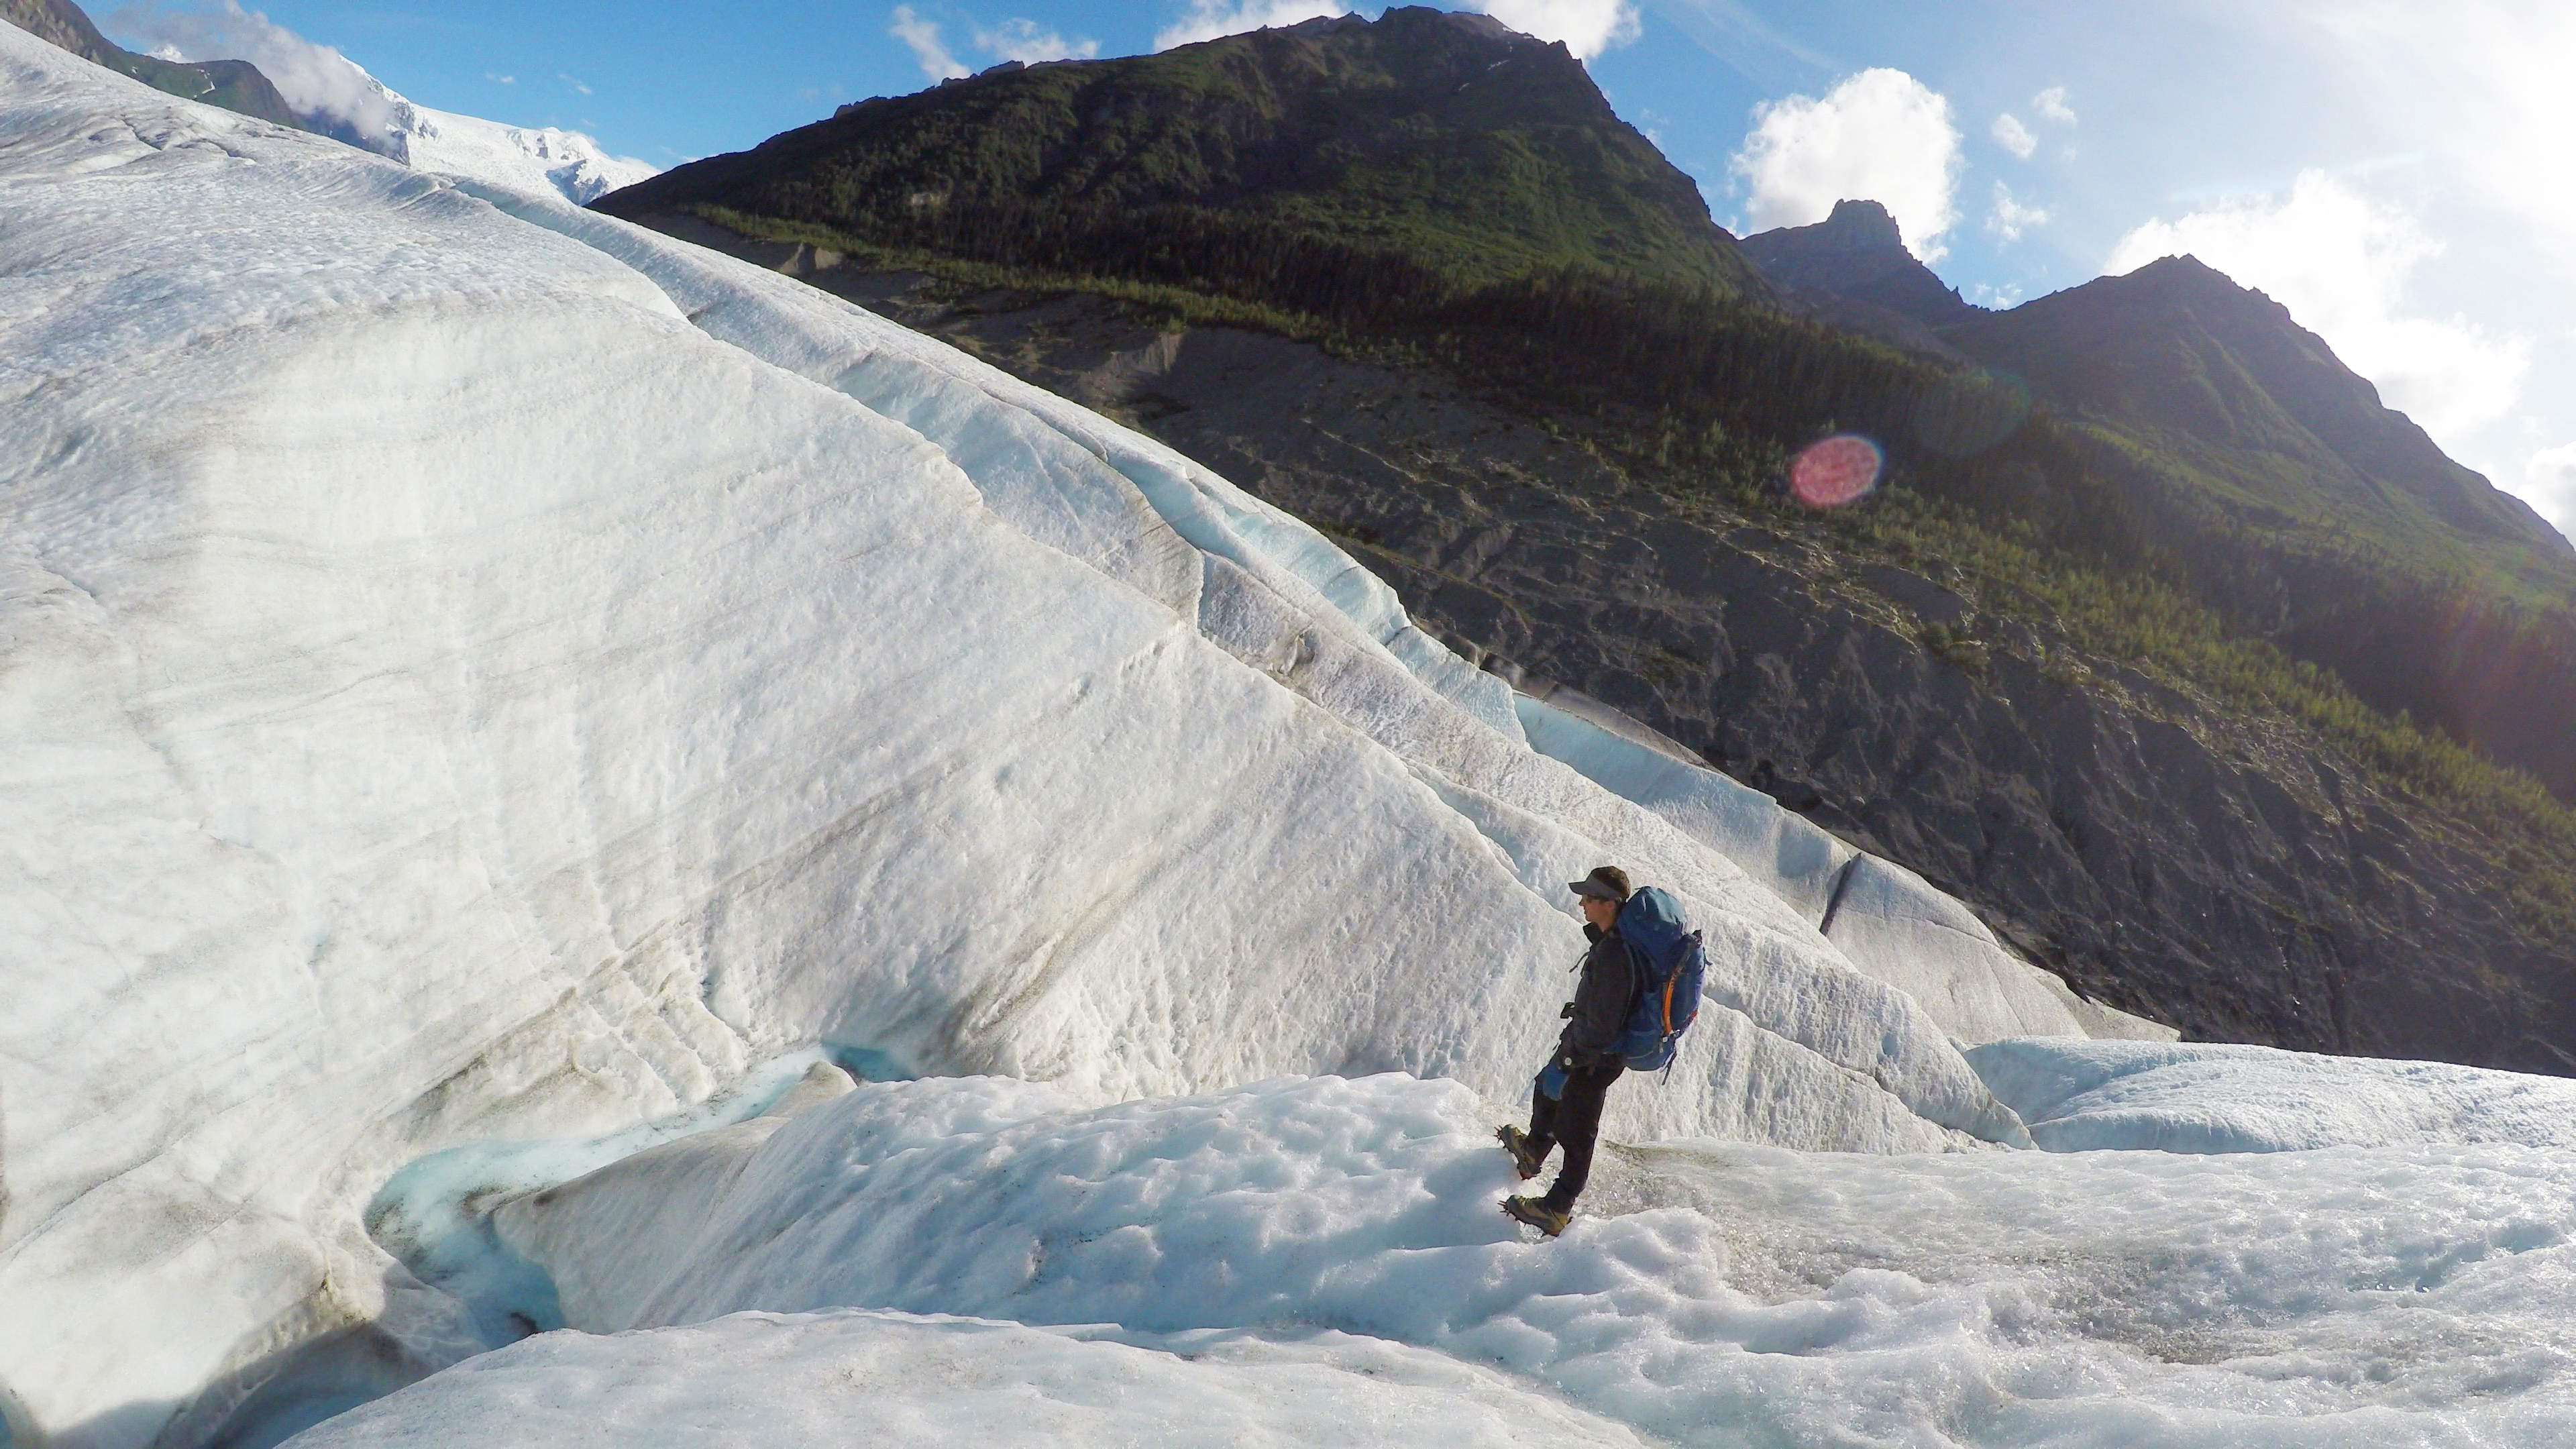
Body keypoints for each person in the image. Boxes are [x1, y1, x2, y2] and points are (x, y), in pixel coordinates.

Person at [1497, 865, 1638, 1236]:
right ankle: (1534, 1150)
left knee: (1578, 1134)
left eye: (1590, 898)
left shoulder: (1616, 956)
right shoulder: (1612, 943)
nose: (1582, 904)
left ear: (1610, 904)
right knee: (1547, 1089)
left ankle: (1556, 1209)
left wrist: (1574, 1058)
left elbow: (1604, 1024)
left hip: (1596, 1057)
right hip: (1586, 1047)